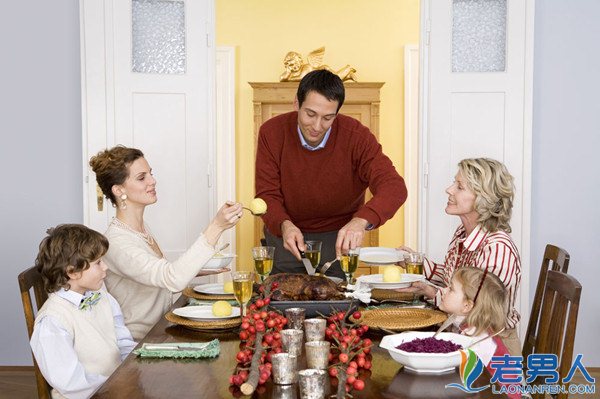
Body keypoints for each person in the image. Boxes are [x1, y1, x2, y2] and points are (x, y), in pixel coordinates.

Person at [256, 69, 407, 278]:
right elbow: (266, 194)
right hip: (286, 237)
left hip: (338, 241)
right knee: (281, 301)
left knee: (337, 304)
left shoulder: (356, 136)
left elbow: (394, 186)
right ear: (296, 104)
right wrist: (284, 225)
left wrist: (360, 221)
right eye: (310, 114)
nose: (317, 126)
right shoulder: (271, 132)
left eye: (328, 118)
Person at [90, 146, 242, 339]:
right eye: (141, 177)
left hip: (164, 328)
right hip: (140, 343)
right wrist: (217, 226)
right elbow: (171, 279)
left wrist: (197, 267)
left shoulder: (141, 229)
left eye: (150, 174)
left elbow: (160, 278)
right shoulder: (117, 243)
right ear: (119, 190)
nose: (153, 181)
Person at [399, 158, 521, 355]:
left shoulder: (497, 249)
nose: (449, 190)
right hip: (463, 334)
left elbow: (477, 309)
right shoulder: (462, 233)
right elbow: (456, 279)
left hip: (493, 347)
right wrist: (416, 264)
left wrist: (430, 292)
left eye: (460, 187)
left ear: (483, 198)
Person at [30, 224, 136, 399]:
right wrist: (117, 386)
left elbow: (123, 341)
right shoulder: (53, 321)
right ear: (72, 272)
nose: (106, 267)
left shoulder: (102, 297)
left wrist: (133, 369)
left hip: (118, 388)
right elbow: (71, 383)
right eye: (98, 263)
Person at [439, 267, 521, 399]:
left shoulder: (477, 340)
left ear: (467, 306)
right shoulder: (472, 327)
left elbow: (463, 378)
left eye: (451, 289)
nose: (443, 290)